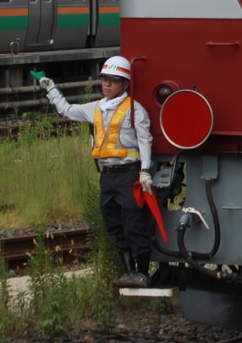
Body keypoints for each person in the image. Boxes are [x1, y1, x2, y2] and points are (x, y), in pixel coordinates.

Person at [37, 56, 154, 287]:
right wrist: (51, 89)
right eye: (104, 80)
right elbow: (67, 110)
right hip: (108, 176)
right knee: (114, 223)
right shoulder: (96, 108)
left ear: (124, 84)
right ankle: (129, 272)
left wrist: (146, 171)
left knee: (133, 225)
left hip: (129, 175)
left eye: (112, 81)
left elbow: (145, 140)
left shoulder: (134, 109)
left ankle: (143, 274)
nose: (106, 85)